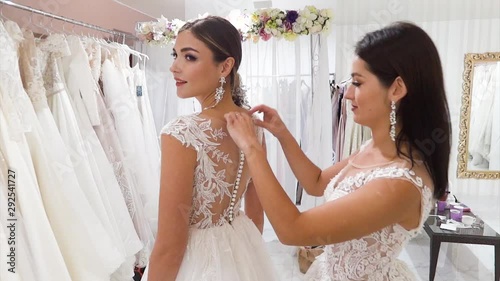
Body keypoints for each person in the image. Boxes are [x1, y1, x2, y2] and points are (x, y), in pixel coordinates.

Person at [225, 21, 451, 280]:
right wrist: (283, 134)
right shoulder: (374, 148)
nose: (347, 95)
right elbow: (317, 182)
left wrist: (252, 149)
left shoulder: (399, 182)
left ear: (396, 89)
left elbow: (292, 230)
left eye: (358, 83)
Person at [143, 16, 277, 281]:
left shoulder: (181, 133)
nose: (174, 67)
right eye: (175, 55)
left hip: (198, 263)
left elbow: (170, 246)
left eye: (189, 57)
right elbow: (256, 216)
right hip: (241, 249)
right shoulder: (253, 126)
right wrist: (246, 261)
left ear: (225, 66)